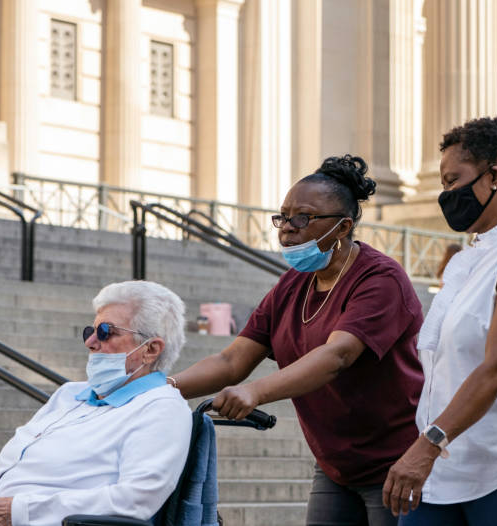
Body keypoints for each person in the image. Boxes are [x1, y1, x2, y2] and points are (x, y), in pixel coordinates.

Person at [170, 154, 425, 526]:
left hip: (396, 463)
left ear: (342, 227)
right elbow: (232, 362)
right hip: (336, 466)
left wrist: (255, 393)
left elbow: (337, 355)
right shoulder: (292, 285)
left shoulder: (379, 279)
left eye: (302, 218)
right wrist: (160, 388)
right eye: (283, 217)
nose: (287, 228)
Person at [383, 117, 497, 526]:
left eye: (453, 180)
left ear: (495, 177)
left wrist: (427, 444)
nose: (446, 194)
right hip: (441, 473)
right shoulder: (468, 260)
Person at [0, 280, 192, 526]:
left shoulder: (161, 407)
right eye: (90, 331)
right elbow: (3, 470)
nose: (90, 342)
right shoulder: (70, 394)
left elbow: (135, 499)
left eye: (105, 332)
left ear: (151, 350)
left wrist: (20, 512)